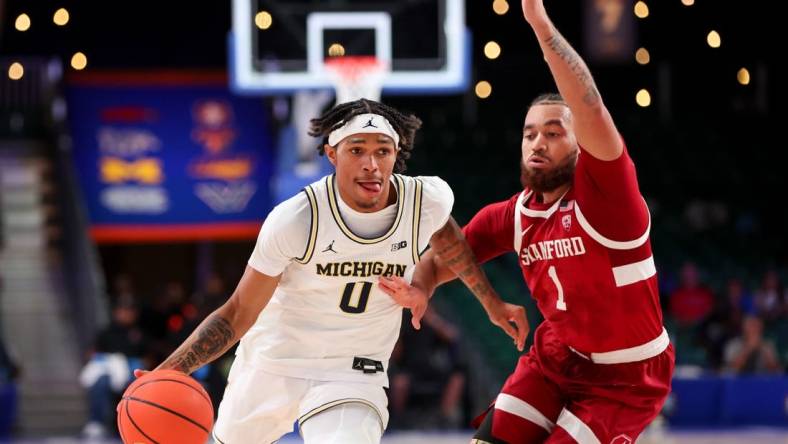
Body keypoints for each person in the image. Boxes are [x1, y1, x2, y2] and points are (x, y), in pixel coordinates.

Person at [136, 99, 528, 444]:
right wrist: (166, 372)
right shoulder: (297, 219)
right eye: (356, 150)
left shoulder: (424, 200)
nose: (371, 165)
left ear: (397, 154)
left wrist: (486, 303)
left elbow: (450, 242)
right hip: (275, 361)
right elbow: (239, 312)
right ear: (332, 155)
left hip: (353, 369)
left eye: (383, 151)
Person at [379, 1, 675, 442]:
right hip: (556, 358)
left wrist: (539, 24)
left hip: (625, 376)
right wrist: (421, 285)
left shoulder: (610, 199)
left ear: (581, 147)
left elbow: (589, 106)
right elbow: (445, 255)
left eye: (554, 133)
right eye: (529, 133)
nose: (538, 142)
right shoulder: (515, 215)